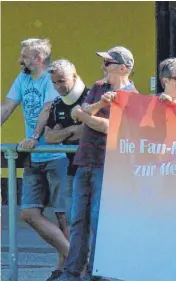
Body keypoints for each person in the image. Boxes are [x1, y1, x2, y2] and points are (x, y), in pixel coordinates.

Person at [57, 46, 138, 281]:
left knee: (98, 220)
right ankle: (72, 272)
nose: (103, 67)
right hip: (84, 161)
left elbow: (111, 128)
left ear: (123, 68)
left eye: (108, 63)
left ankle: (94, 273)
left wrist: (86, 117)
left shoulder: (132, 95)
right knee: (78, 219)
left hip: (108, 165)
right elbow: (77, 112)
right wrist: (99, 106)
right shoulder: (99, 88)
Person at [0, 38, 70, 281]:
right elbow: (7, 107)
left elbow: (47, 110)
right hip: (34, 156)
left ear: (38, 58)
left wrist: (33, 136)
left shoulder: (51, 78)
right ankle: (75, 258)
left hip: (56, 153)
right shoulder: (23, 79)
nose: (21, 59)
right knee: (28, 213)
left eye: (25, 55)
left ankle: (65, 269)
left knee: (63, 215)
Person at [45, 59, 90, 224]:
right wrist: (72, 130)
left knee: (93, 219)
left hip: (94, 168)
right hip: (72, 170)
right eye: (54, 82)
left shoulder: (91, 97)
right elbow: (49, 137)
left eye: (62, 81)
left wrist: (63, 132)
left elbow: (87, 131)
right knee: (74, 220)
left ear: (74, 76)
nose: (58, 86)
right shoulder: (57, 104)